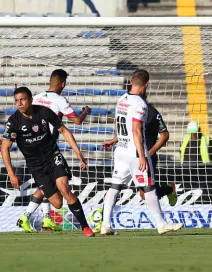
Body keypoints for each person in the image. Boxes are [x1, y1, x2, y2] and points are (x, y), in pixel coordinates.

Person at [1, 87, 94, 237]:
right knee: (57, 203)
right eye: (17, 101)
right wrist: (11, 174)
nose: (19, 103)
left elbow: (64, 130)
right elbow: (5, 148)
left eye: (23, 99)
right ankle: (39, 217)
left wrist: (78, 152)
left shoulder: (44, 112)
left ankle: (85, 228)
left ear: (30, 100)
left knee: (64, 188)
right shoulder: (14, 122)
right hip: (36, 166)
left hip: (52, 156)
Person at [100, 69, 183, 236]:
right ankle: (161, 223)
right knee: (149, 188)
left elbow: (123, 127)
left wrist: (114, 139)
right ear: (146, 85)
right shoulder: (141, 104)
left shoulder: (121, 100)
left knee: (114, 187)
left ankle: (105, 225)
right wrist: (142, 155)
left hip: (121, 150)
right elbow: (136, 130)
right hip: (134, 152)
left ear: (131, 81)